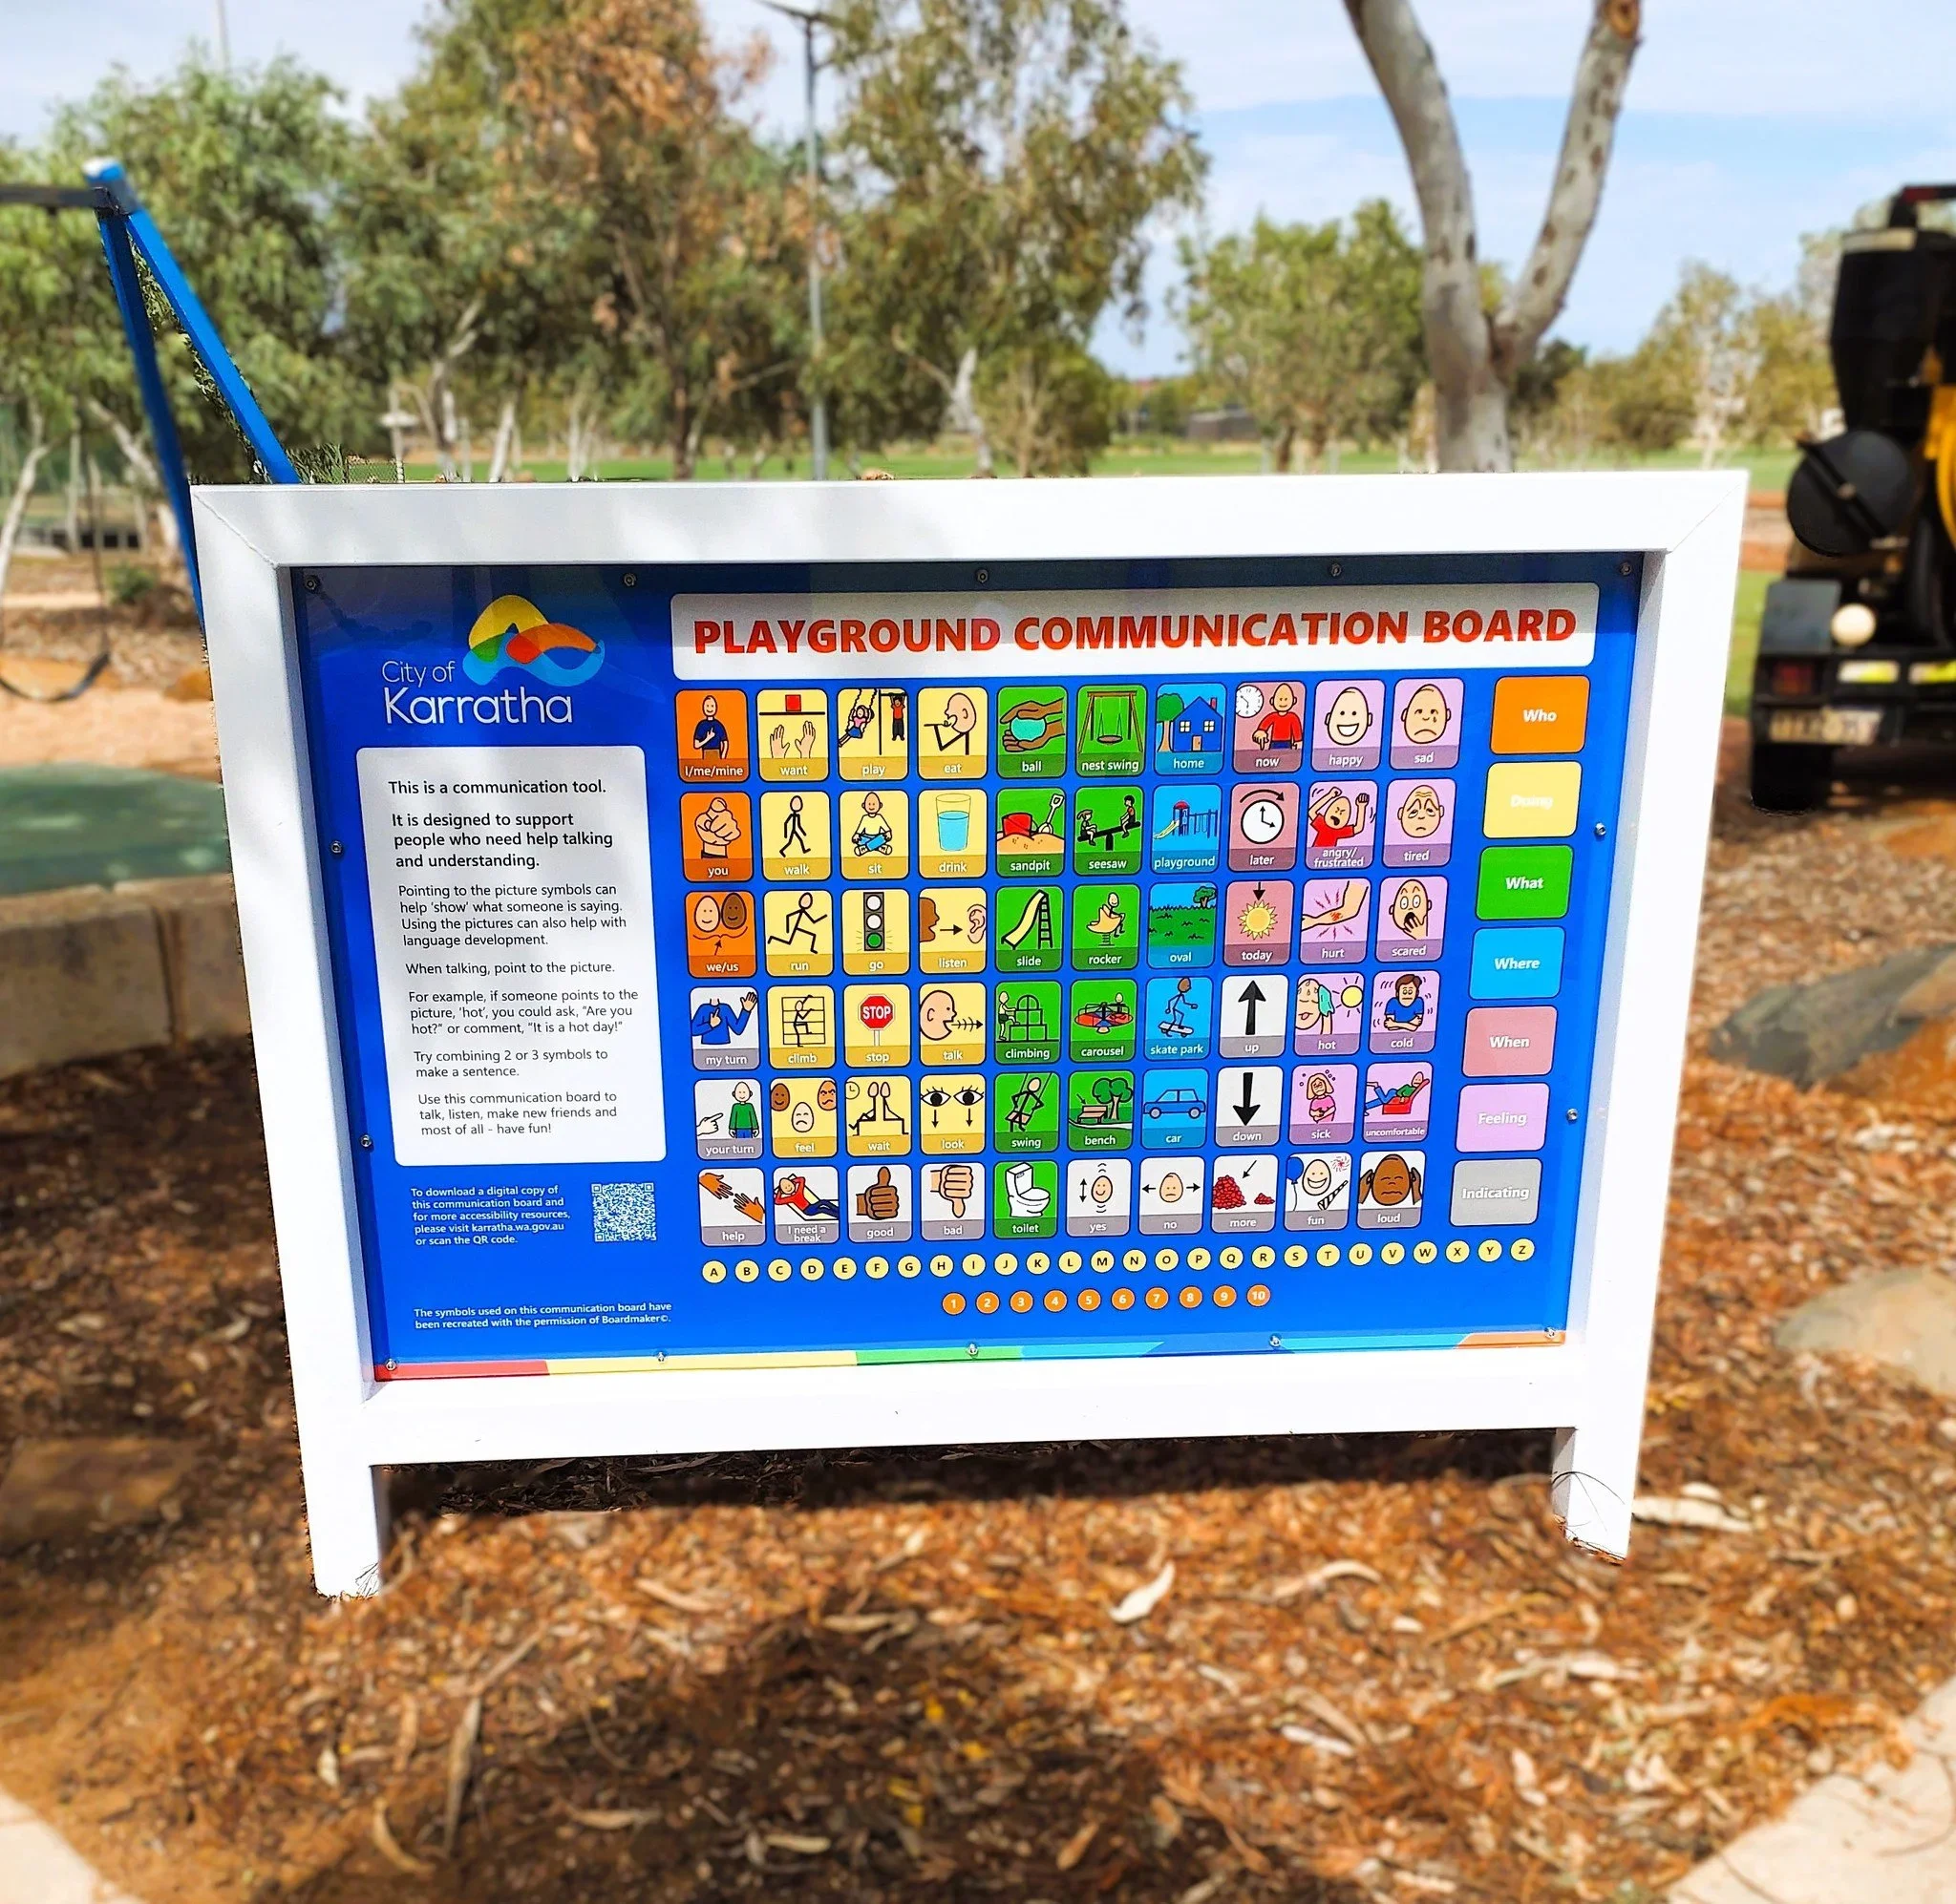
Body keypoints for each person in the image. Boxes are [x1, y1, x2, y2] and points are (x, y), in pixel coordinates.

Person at [1308, 783, 1371, 850]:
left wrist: (1361, 806)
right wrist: (1329, 795)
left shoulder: (1339, 831)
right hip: (1315, 854)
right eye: (1336, 810)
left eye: (1342, 813)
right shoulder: (1322, 823)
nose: (1338, 813)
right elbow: (1311, 812)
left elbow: (1358, 828)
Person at [1252, 681, 1304, 752]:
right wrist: (1261, 733)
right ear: (1272, 701)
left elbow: (1297, 731)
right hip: (1274, 743)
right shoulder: (1273, 716)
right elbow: (1263, 726)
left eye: (1286, 699)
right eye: (1280, 699)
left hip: (1287, 743)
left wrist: (1298, 742)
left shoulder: (1293, 717)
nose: (1283, 703)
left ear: (1293, 701)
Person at [690, 990, 756, 1045]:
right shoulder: (703, 1008)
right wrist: (710, 1025)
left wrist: (746, 1010)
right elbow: (692, 1031)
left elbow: (738, 1029)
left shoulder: (725, 1008)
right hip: (705, 1048)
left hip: (726, 1048)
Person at [691, 694, 730, 762]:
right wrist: (707, 738)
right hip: (706, 754)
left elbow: (725, 742)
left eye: (712, 706)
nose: (709, 709)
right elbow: (696, 745)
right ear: (703, 707)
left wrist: (723, 757)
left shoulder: (718, 725)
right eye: (707, 706)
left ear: (716, 707)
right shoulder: (701, 725)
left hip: (717, 753)